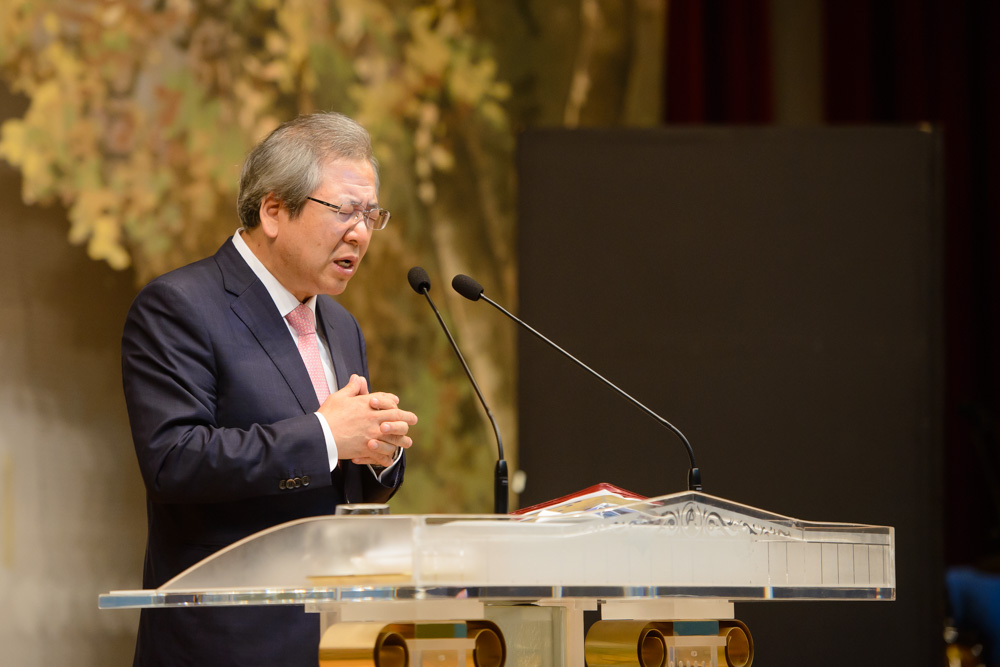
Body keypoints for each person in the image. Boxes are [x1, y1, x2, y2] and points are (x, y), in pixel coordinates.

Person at [121, 112, 418, 666]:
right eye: (344, 211)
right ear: (274, 211)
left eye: (370, 215)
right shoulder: (179, 306)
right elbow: (173, 462)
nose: (360, 233)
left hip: (333, 640)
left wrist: (378, 453)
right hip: (223, 645)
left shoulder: (341, 325)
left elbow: (335, 488)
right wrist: (326, 436)